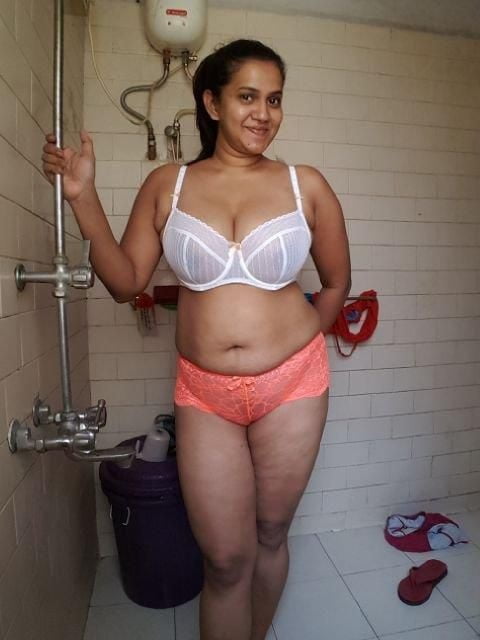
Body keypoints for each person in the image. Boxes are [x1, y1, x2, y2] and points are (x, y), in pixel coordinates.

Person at [43, 39, 350, 640]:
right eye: (247, 97)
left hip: (293, 385)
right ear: (211, 103)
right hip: (205, 394)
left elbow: (337, 283)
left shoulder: (304, 185)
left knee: (270, 535)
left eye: (275, 99)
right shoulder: (169, 184)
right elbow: (125, 281)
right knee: (225, 560)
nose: (264, 113)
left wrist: (297, 345)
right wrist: (82, 199)